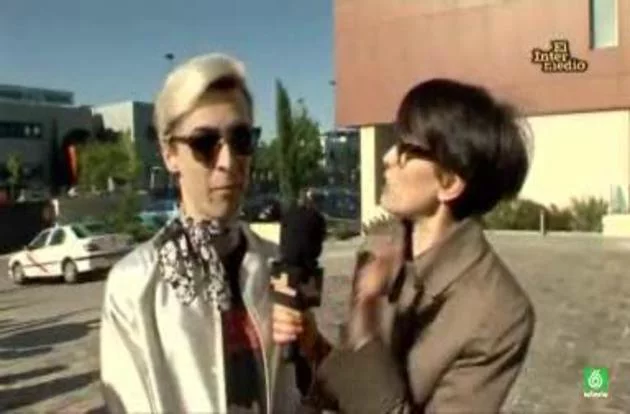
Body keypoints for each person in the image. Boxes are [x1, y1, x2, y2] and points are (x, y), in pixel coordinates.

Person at [99, 53, 323, 413]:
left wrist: (310, 347)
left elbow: (303, 392)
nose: (228, 161)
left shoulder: (275, 264)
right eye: (204, 143)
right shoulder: (135, 285)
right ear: (170, 154)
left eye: (241, 139)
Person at [300, 78, 536, 413]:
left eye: (406, 150)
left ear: (449, 182)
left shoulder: (500, 313)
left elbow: (367, 365)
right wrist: (314, 347)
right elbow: (351, 381)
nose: (387, 157)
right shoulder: (381, 244)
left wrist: (366, 327)